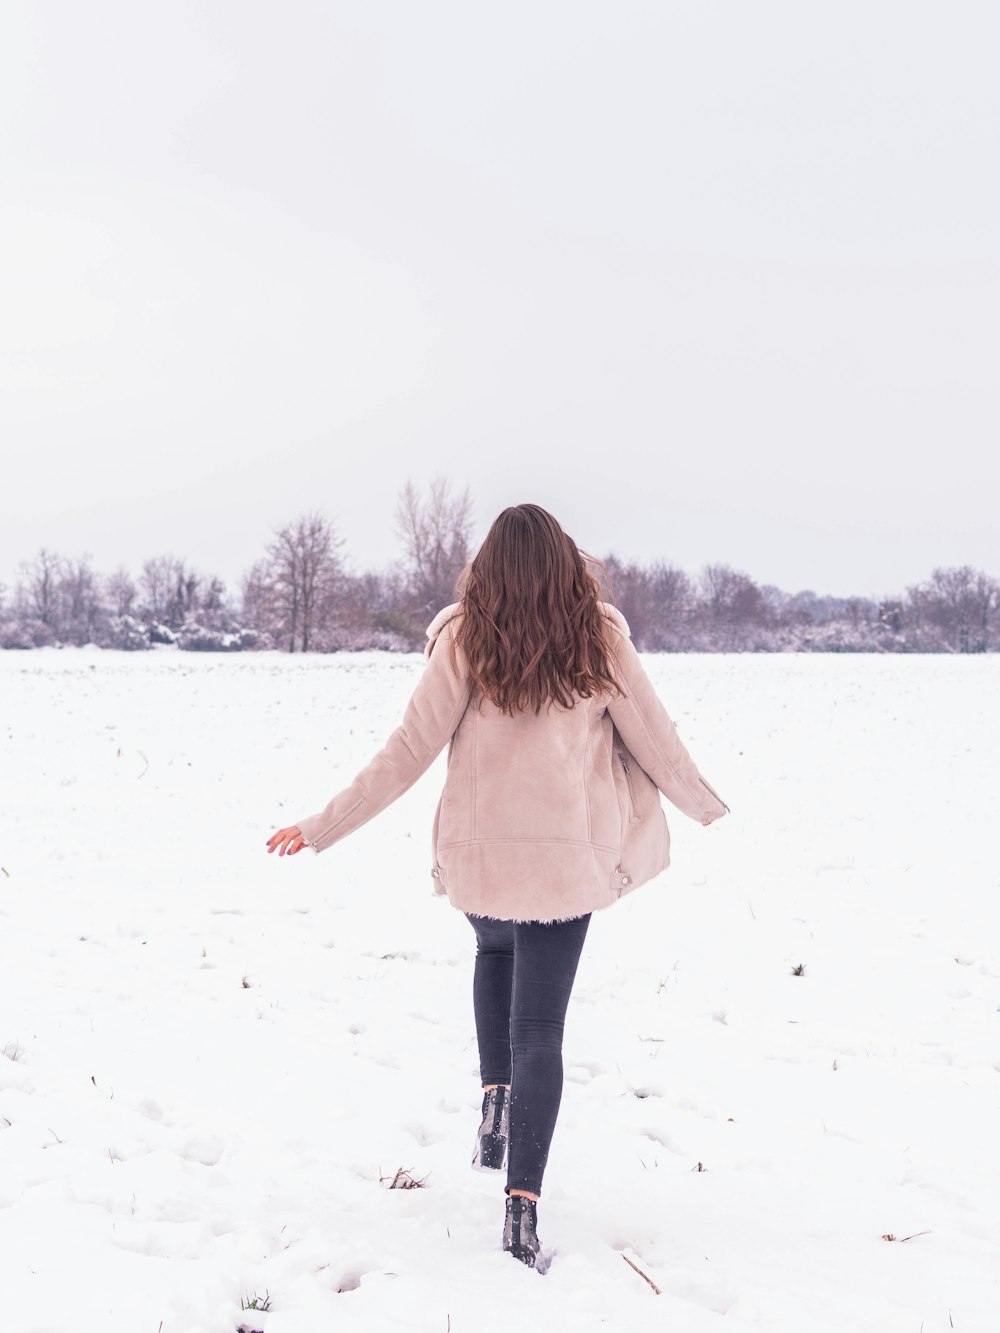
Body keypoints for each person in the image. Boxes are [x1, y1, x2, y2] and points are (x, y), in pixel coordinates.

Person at [267, 503, 728, 1272]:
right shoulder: (598, 636)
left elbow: (407, 751)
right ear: (566, 562)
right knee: (540, 1029)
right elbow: (656, 736)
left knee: (493, 949)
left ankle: (494, 1104)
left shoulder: (464, 637)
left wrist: (322, 825)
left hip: (481, 862)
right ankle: (521, 1210)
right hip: (566, 864)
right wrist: (706, 804)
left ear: (487, 567)